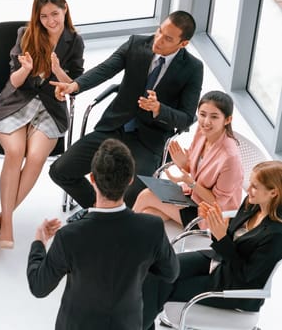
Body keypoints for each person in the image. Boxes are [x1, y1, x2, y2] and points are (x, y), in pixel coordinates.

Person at [49, 10, 203, 220]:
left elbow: (186, 117)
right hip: (114, 127)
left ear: (182, 43)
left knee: (133, 197)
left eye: (168, 38)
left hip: (149, 141)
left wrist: (159, 109)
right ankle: (99, 211)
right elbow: (105, 69)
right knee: (60, 170)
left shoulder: (193, 68)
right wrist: (74, 85)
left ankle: (104, 217)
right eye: (159, 31)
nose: (158, 40)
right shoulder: (136, 44)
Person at [27, 139, 179, 330]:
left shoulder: (69, 236)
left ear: (92, 179)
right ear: (131, 179)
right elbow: (171, 273)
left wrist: (39, 243)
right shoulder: (152, 228)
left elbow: (39, 286)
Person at [0, 0, 84, 249]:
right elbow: (14, 81)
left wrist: (58, 71)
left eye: (55, 13)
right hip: (18, 101)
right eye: (44, 17)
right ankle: (7, 223)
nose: (51, 21)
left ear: (65, 9)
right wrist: (26, 69)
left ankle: (2, 218)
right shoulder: (25, 34)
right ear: (36, 17)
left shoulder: (74, 41)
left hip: (51, 107)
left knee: (37, 157)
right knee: (15, 152)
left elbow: (73, 84)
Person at [142, 161, 282, 330]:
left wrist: (221, 237)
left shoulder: (276, 235)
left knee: (162, 286)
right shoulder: (252, 203)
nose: (248, 189)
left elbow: (246, 275)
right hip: (217, 259)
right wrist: (214, 221)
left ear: (273, 192)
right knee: (160, 269)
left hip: (233, 285)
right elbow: (230, 233)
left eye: (255, 186)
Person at [133, 90, 243, 227]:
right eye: (202, 115)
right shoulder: (202, 132)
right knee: (147, 213)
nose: (206, 122)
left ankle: (118, 234)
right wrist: (184, 164)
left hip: (209, 214)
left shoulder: (230, 159)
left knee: (146, 195)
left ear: (227, 120)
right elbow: (194, 169)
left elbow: (217, 203)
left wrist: (191, 183)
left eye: (214, 117)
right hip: (190, 197)